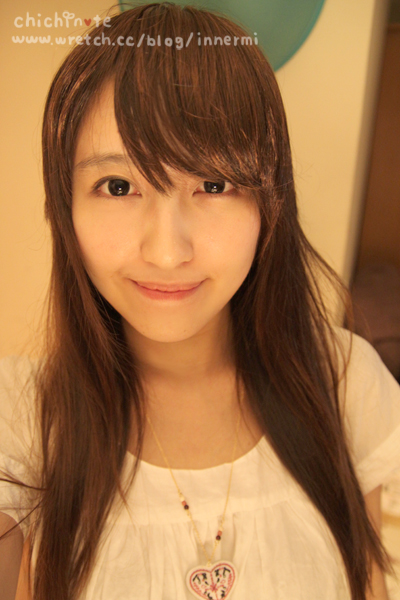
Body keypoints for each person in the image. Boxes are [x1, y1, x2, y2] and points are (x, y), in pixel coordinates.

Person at [1, 3, 400, 599]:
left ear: (270, 202)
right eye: (118, 186)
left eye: (214, 184)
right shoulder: (21, 417)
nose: (167, 253)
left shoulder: (343, 381)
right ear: (65, 207)